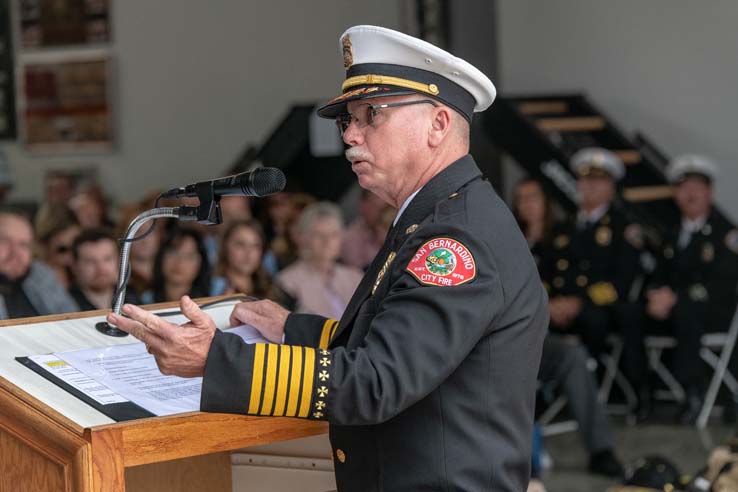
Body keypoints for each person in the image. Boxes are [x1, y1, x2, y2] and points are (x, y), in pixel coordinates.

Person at [108, 25, 547, 491]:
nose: (350, 135)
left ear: (438, 124)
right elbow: (398, 341)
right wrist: (292, 328)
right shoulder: (438, 214)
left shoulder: (456, 239)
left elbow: (377, 380)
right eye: (347, 120)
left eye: (371, 114)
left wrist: (218, 358)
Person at [512, 178, 624, 478]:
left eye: (533, 197)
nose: (528, 205)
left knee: (573, 356)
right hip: (501, 338)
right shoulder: (502, 234)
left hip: (539, 332)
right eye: (521, 199)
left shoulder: (560, 237)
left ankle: (601, 450)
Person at [644, 154, 738, 424]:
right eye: (685, 188)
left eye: (698, 188)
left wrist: (676, 298)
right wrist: (655, 295)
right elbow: (659, 273)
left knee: (687, 310)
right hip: (673, 311)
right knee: (631, 312)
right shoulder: (671, 234)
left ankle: (693, 392)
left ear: (710, 193)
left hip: (713, 311)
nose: (691, 194)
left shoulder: (726, 234)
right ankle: (642, 393)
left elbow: (723, 284)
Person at [544, 148, 644, 391]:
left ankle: (586, 388)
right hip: (557, 307)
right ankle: (543, 392)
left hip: (595, 308)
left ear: (611, 187)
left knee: (595, 319)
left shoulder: (623, 229)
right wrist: (549, 302)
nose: (590, 186)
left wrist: (578, 303)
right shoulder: (562, 227)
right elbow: (545, 272)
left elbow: (622, 282)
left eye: (599, 181)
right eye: (586, 179)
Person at [276, 202, 363, 318]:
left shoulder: (355, 277)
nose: (327, 241)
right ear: (304, 238)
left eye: (334, 234)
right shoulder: (287, 281)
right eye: (318, 235)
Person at [0, 209, 79, 319]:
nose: (15, 252)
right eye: (5, 241)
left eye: (23, 245)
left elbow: (72, 319)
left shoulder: (41, 275)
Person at [214, 219, 293, 308]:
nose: (248, 253)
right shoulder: (211, 287)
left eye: (255, 246)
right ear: (225, 247)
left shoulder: (274, 290)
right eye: (240, 244)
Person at [142, 226, 213, 304]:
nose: (180, 262)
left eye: (189, 257)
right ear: (161, 256)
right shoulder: (143, 301)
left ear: (201, 263)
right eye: (174, 253)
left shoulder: (213, 302)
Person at [68, 228, 135, 311]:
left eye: (107, 259)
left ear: (119, 261)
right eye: (90, 261)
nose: (101, 268)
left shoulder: (132, 298)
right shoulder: (64, 303)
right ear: (74, 266)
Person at [341, 189, 391, 270]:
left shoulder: (393, 231)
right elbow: (358, 274)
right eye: (378, 209)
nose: (383, 215)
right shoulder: (350, 238)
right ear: (363, 206)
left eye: (386, 209)